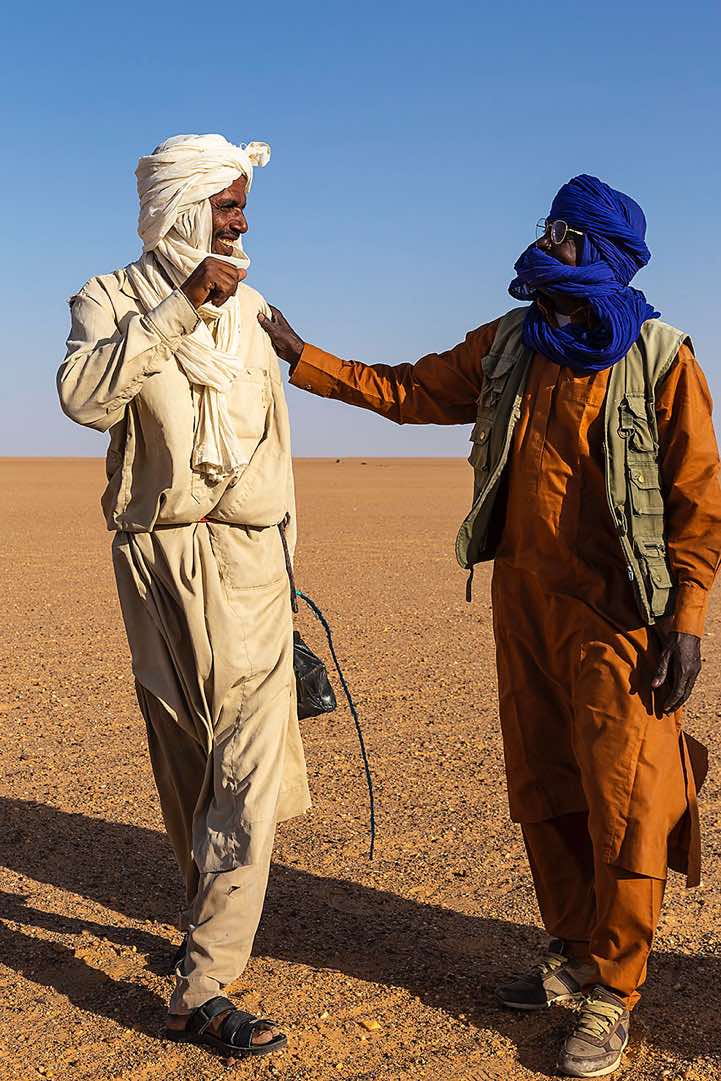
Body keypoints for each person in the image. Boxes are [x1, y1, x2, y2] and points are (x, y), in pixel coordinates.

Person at [259, 174, 721, 1078]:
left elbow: (697, 499)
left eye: (564, 234)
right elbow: (410, 389)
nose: (545, 244)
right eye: (545, 228)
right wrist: (300, 354)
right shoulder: (511, 342)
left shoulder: (663, 358)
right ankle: (575, 952)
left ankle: (613, 992)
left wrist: (688, 618)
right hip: (524, 608)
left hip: (621, 618)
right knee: (545, 787)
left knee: (626, 802)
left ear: (603, 254)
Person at [57, 133, 310, 1059]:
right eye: (228, 207)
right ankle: (207, 914)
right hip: (157, 562)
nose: (242, 224)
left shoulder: (255, 312)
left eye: (245, 207)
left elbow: (277, 450)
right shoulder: (109, 300)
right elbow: (84, 398)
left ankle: (201, 985)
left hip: (249, 567)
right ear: (181, 210)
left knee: (247, 772)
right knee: (187, 760)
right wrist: (175, 310)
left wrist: (286, 581)